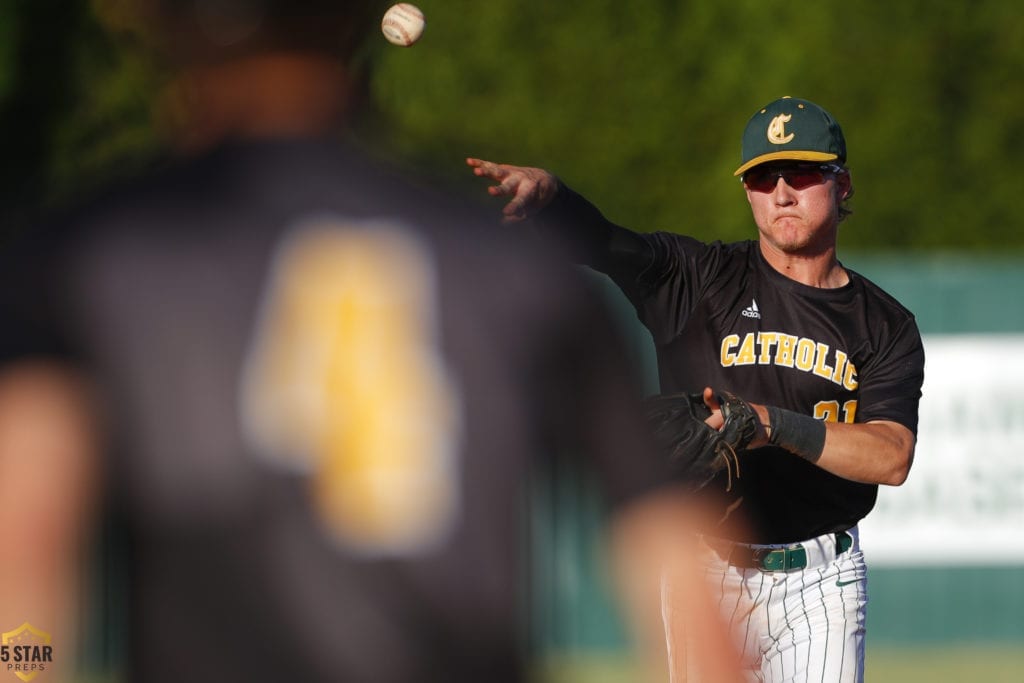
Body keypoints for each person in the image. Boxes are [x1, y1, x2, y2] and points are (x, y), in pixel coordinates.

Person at [0, 2, 704, 681]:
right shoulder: (520, 264)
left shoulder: (90, 253)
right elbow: (677, 568)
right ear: (353, 23)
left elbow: (26, 560)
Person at [467, 95, 926, 682]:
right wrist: (555, 201)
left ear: (844, 185)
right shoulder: (697, 280)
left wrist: (768, 424)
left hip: (822, 582)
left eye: (803, 172)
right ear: (747, 191)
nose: (781, 191)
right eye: (763, 177)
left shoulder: (883, 323)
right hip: (708, 567)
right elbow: (607, 243)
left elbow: (891, 455)